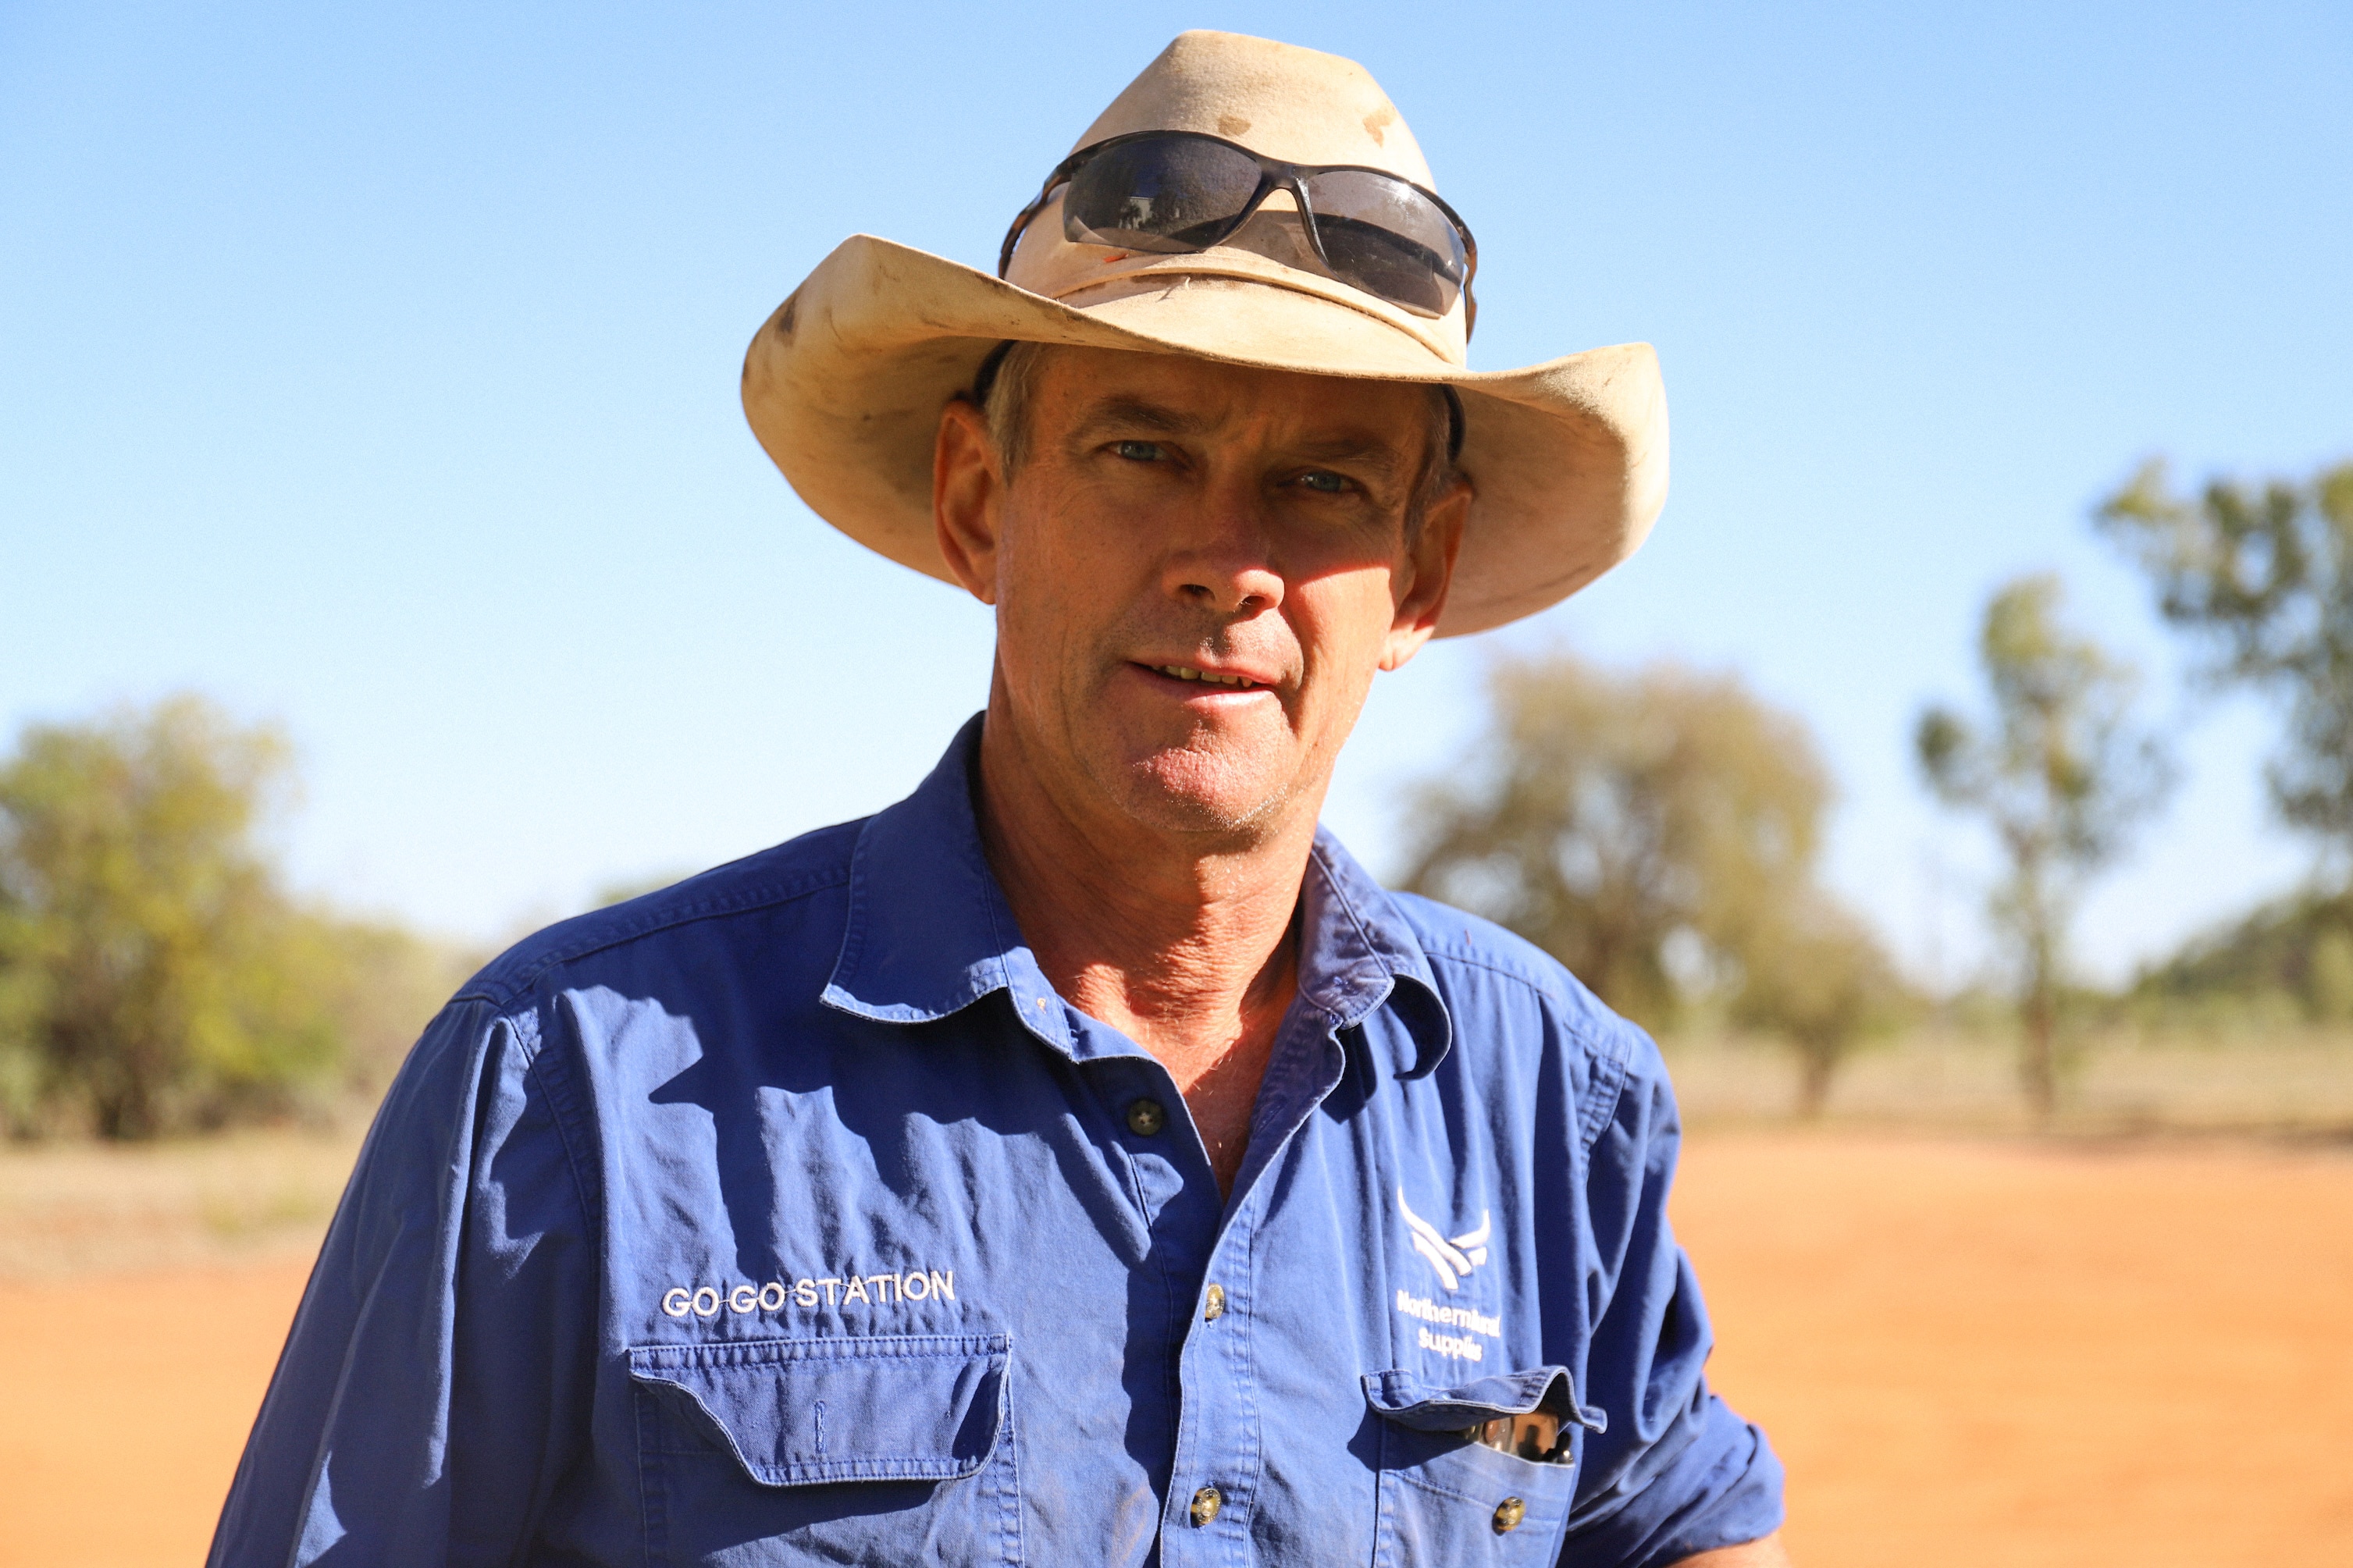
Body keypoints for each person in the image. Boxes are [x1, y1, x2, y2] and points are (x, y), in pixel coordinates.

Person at [211, 30, 1787, 1567]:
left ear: (1420, 575)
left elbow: (1675, 1521)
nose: (1223, 562)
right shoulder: (573, 1084)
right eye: (1141, 448)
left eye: (1321, 485)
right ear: (980, 503)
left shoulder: (1547, 1100)